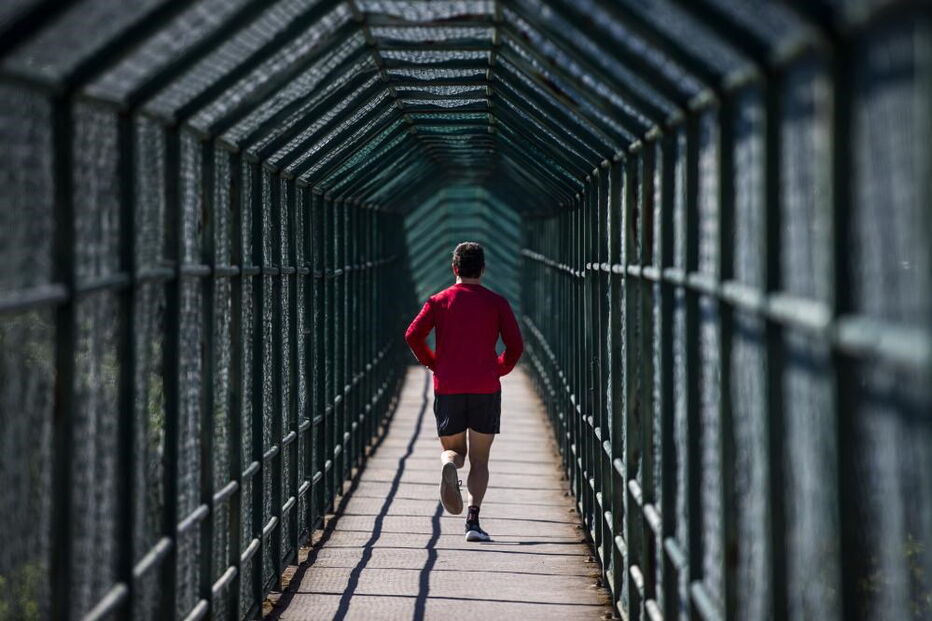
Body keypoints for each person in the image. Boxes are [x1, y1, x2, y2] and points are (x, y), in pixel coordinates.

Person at [404, 242, 524, 542]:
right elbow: (515, 346)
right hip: (485, 387)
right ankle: (473, 521)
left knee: (456, 452)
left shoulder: (438, 301)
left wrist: (434, 364)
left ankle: (448, 464)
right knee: (480, 461)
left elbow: (413, 335)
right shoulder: (497, 302)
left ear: (454, 268)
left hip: (449, 387)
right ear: (483, 269)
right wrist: (499, 368)